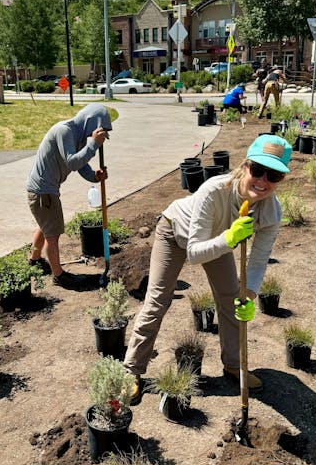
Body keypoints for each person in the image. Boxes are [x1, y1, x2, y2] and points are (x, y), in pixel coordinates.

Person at [123, 134, 293, 404]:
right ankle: (131, 370)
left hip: (219, 241)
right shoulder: (214, 190)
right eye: (258, 171)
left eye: (273, 176)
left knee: (231, 297)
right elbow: (194, 253)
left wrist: (249, 294)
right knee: (158, 300)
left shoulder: (271, 212)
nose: (263, 182)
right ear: (245, 166)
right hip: (175, 231)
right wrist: (230, 238)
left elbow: (259, 260)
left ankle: (233, 364)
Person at [26, 103, 110, 288]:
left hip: (43, 190)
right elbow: (72, 162)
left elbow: (80, 164)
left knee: (46, 226)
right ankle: (59, 276)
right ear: (90, 122)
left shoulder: (76, 135)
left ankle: (34, 259)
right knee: (53, 234)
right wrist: (94, 144)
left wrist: (94, 177)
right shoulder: (64, 131)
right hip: (43, 192)